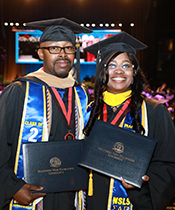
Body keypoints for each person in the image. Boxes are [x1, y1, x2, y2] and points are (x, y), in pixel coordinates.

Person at [0, 17, 92, 210]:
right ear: (41, 53)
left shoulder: (80, 93)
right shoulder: (20, 91)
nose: (63, 55)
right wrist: (12, 187)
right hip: (29, 194)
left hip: (70, 195)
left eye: (68, 48)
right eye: (54, 48)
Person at [83, 31, 175, 210]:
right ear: (103, 71)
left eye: (126, 65)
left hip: (134, 202)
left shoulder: (154, 111)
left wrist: (145, 182)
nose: (119, 71)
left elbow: (168, 163)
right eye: (111, 65)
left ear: (134, 71)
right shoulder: (88, 111)